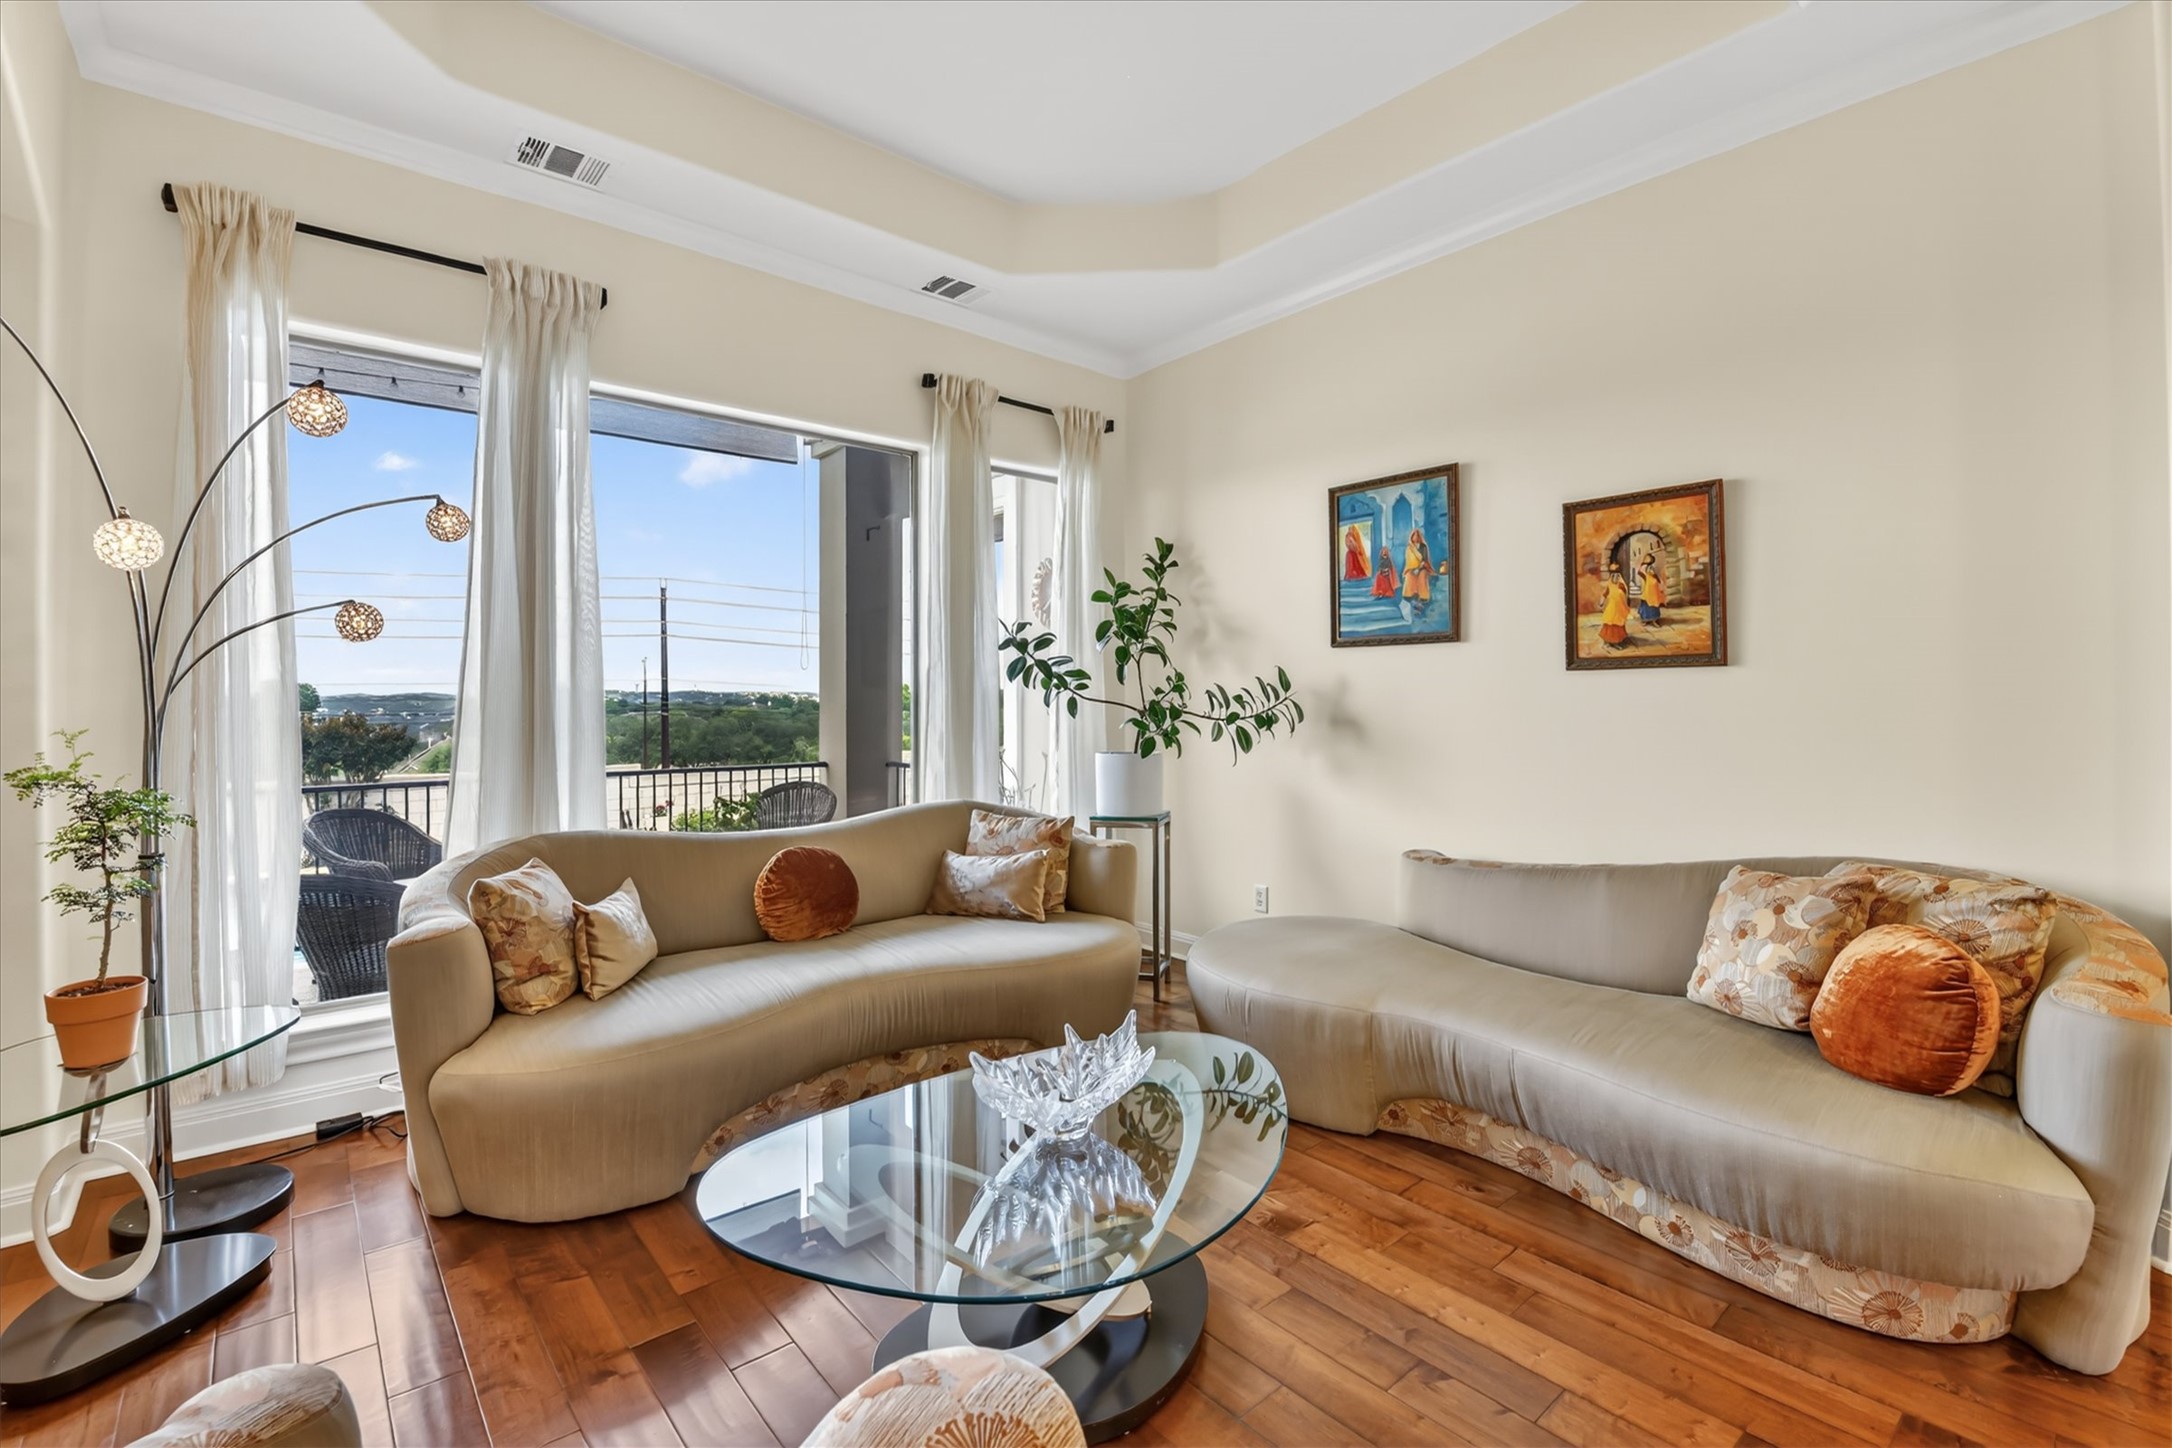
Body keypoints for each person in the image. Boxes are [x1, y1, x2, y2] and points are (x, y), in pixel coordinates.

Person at [1599, 569, 1631, 647]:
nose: (1615, 578)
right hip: (1611, 608)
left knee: (1618, 623)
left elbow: (1625, 596)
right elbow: (1604, 594)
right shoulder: (1609, 586)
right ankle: (1608, 640)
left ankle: (1616, 641)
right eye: (1613, 576)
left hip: (1620, 608)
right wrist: (1602, 602)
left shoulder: (1621, 586)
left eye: (1617, 576)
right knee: (1610, 622)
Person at [1402, 528, 1433, 604]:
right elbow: (1408, 561)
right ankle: (1409, 595)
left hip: (1423, 567)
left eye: (1417, 536)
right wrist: (1412, 569)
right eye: (1414, 536)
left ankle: (1423, 597)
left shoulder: (1424, 547)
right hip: (1411, 568)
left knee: (1422, 575)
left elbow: (1424, 560)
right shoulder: (1409, 548)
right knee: (1409, 575)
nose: (1416, 537)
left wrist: (1418, 569)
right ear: (1411, 537)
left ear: (1420, 537)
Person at [1637, 558, 1665, 626]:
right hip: (1648, 591)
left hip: (1654, 591)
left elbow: (1657, 579)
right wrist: (1643, 564)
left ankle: (1654, 620)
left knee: (1654, 605)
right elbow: (1639, 572)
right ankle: (1646, 619)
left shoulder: (1653, 572)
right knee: (1646, 605)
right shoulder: (1645, 572)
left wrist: (1658, 580)